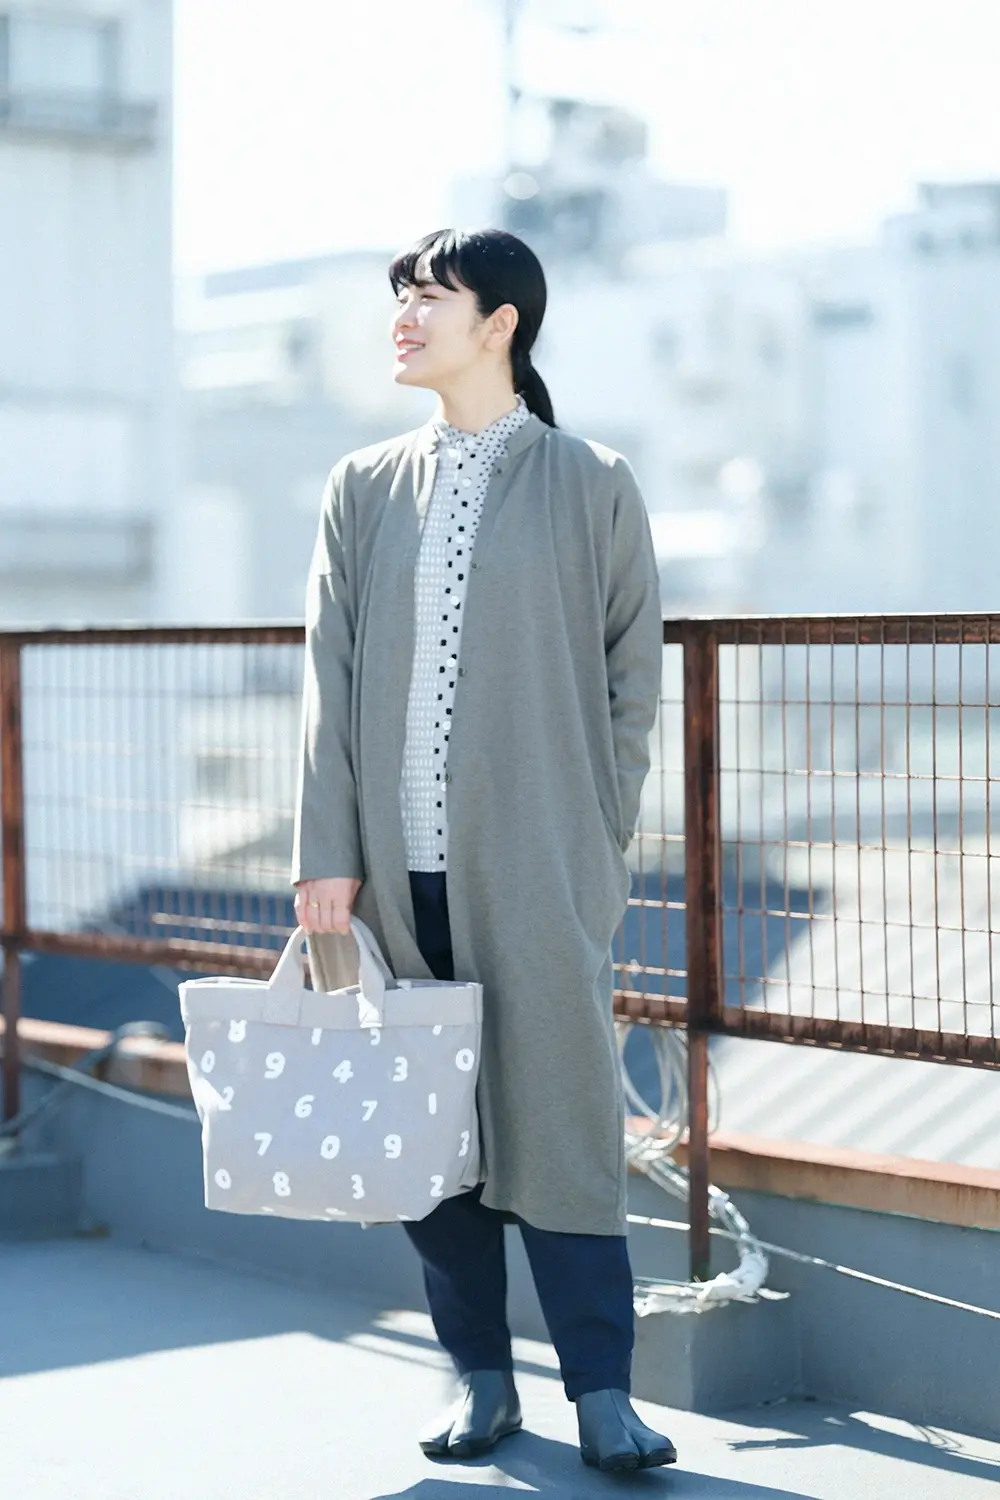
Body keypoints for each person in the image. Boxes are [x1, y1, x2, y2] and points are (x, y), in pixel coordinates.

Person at [290, 227, 674, 1474]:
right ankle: (480, 1380)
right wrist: (326, 852)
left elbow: (630, 683)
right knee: (425, 1128)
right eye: (399, 297)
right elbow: (328, 677)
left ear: (500, 322)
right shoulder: (361, 486)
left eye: (430, 297)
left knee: (561, 1119)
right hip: (390, 870)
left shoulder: (591, 481)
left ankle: (602, 1394)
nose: (404, 317)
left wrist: (593, 834)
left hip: (541, 867)